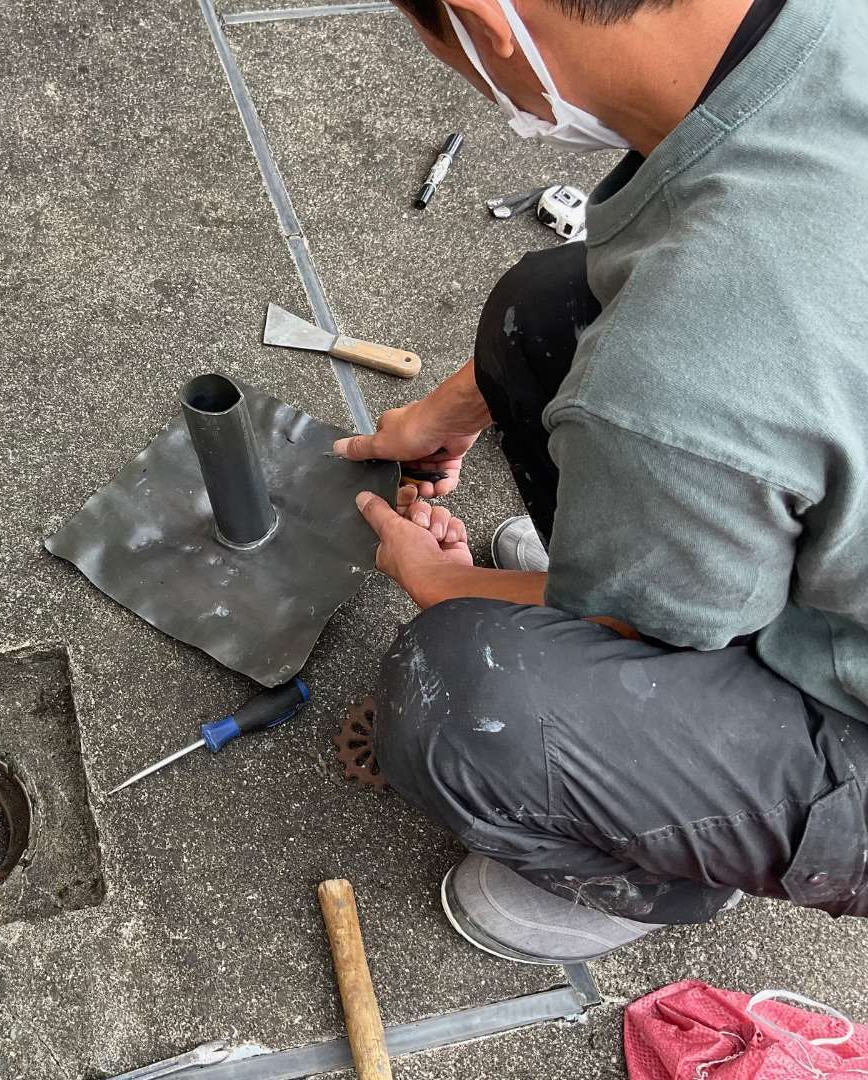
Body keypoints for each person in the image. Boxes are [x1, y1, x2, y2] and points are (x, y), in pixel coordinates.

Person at [330, 0, 868, 964]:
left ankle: (657, 873)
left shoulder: (685, 363)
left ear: (485, 23)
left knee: (462, 694)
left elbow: (640, 629)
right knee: (543, 309)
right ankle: (665, 557)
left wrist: (444, 582)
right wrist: (447, 412)